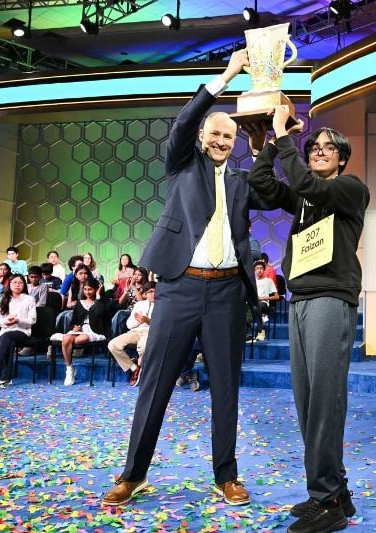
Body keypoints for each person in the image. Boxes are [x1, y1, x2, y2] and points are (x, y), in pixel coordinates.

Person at [102, 50, 274, 508]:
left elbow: (273, 191)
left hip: (225, 293)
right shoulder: (182, 163)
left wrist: (266, 146)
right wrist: (229, 74)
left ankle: (227, 476)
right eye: (215, 133)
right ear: (202, 138)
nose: (221, 141)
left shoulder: (240, 181)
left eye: (228, 136)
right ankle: (132, 474)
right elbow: (181, 127)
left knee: (226, 387)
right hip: (178, 288)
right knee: (155, 383)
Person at [246, 108, 369, 533]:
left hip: (331, 299)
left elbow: (304, 183)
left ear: (342, 159)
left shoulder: (350, 188)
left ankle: (328, 500)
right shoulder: (303, 195)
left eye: (327, 148)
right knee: (306, 401)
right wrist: (267, 144)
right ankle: (336, 489)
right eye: (313, 147)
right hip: (301, 301)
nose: (318, 151)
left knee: (324, 402)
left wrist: (284, 137)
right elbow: (261, 184)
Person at [0, 274, 37, 389]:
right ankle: (6, 378)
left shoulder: (29, 299)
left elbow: (32, 320)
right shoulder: (3, 298)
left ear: (24, 285)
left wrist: (18, 320)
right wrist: (7, 322)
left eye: (20, 282)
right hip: (6, 331)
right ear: (9, 284)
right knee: (9, 341)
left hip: (23, 332)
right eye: (14, 282)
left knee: (7, 336)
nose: (17, 285)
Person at [52, 277, 107, 386]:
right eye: (85, 289)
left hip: (94, 331)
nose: (87, 292)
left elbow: (100, 313)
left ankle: (69, 347)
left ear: (96, 289)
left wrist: (99, 296)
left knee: (80, 339)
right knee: (67, 338)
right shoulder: (79, 303)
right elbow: (73, 321)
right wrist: (74, 327)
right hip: (80, 330)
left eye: (90, 289)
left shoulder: (101, 302)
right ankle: (69, 369)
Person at [108, 281, 155, 386]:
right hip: (135, 331)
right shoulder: (139, 304)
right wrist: (138, 321)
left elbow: (162, 326)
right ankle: (134, 368)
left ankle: (139, 365)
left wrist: (148, 321)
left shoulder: (162, 306)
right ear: (145, 294)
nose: (153, 294)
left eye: (155, 291)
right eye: (150, 292)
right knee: (113, 345)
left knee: (143, 347)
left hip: (150, 332)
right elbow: (129, 324)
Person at [253, 260, 278, 341]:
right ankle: (248, 333)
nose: (259, 270)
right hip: (254, 302)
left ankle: (261, 331)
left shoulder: (268, 281)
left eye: (261, 268)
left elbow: (276, 297)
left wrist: (263, 298)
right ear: (254, 270)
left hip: (263, 303)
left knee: (258, 306)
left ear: (264, 270)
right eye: (257, 268)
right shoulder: (253, 281)